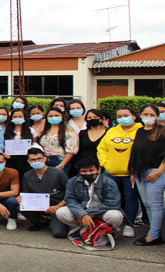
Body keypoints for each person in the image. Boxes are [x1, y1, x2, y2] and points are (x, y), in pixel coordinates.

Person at [97, 106, 142, 237]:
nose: (123, 118)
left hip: (131, 174)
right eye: (120, 116)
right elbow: (102, 148)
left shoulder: (141, 130)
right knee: (106, 198)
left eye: (126, 115)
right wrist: (105, 163)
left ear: (134, 116)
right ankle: (108, 224)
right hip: (111, 172)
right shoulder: (111, 131)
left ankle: (129, 224)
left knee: (131, 198)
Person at [56, 157, 126, 235]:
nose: (88, 173)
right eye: (84, 171)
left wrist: (86, 213)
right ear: (79, 171)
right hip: (81, 210)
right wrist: (81, 213)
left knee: (115, 216)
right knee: (61, 212)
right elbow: (70, 200)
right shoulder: (73, 182)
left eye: (91, 170)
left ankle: (106, 231)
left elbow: (113, 203)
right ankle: (82, 229)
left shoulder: (109, 183)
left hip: (102, 212)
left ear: (99, 170)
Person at [129, 104, 165, 246]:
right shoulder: (139, 131)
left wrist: (158, 172)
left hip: (155, 171)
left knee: (155, 204)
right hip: (140, 172)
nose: (148, 118)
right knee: (146, 204)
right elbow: (136, 153)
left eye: (152, 115)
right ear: (140, 115)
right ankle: (154, 233)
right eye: (146, 114)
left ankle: (153, 235)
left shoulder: (162, 131)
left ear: (157, 116)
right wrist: (132, 172)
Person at [17, 147, 69, 237]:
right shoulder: (27, 175)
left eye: (39, 159)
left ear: (45, 158)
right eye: (33, 160)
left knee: (59, 233)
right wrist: (20, 199)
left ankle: (55, 220)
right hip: (38, 206)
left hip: (57, 207)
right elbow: (26, 194)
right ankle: (41, 221)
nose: (37, 161)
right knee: (20, 206)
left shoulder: (58, 173)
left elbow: (71, 193)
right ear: (28, 161)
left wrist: (58, 206)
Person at [38, 107, 79, 174]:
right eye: (51, 116)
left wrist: (61, 165)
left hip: (60, 160)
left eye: (57, 115)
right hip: (44, 161)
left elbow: (71, 151)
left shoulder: (69, 130)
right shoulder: (43, 130)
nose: (54, 117)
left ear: (62, 116)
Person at [4, 108, 38, 181]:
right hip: (10, 159)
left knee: (25, 178)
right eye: (15, 117)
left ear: (24, 117)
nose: (17, 119)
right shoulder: (5, 130)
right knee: (12, 178)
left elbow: (34, 143)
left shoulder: (31, 131)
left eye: (20, 116)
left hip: (26, 159)